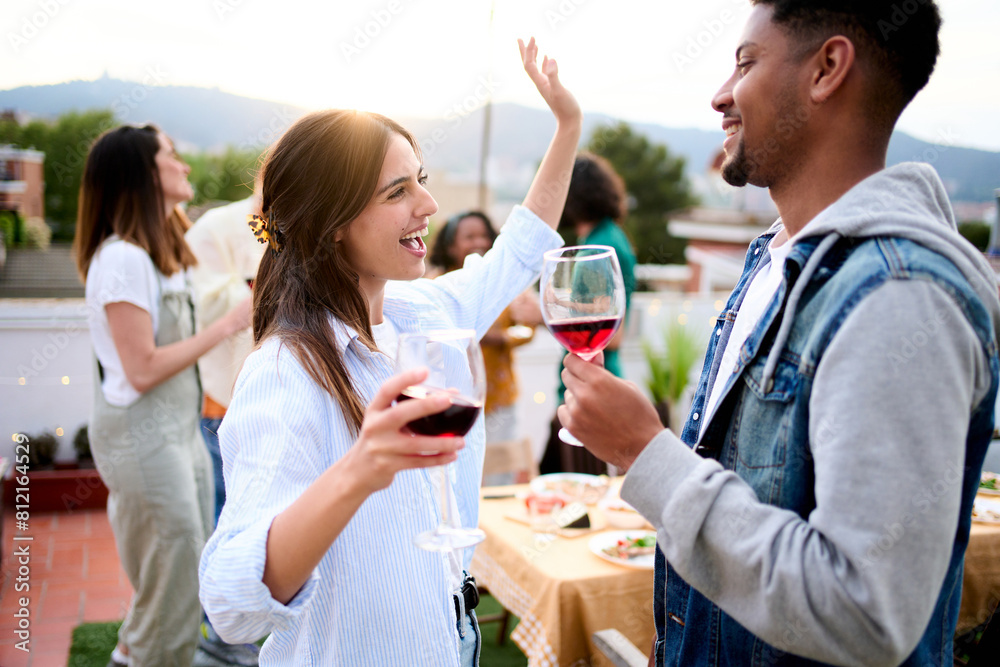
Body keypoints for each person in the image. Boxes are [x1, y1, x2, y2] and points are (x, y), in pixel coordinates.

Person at [559, 2, 1000, 665]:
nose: (720, 96)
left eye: (745, 62)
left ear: (827, 69)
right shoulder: (775, 261)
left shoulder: (898, 296)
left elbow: (864, 611)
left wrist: (647, 451)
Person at [198, 37, 580, 665]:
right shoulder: (285, 371)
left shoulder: (426, 312)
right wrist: (362, 467)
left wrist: (567, 125)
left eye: (421, 182)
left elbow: (521, 247)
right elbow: (231, 605)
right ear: (332, 222)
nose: (429, 206)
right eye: (398, 191)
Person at [73, 124, 251, 667]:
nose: (185, 166)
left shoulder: (158, 252)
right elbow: (143, 368)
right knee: (172, 579)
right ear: (143, 174)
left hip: (177, 431)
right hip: (141, 437)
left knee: (183, 573)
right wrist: (227, 326)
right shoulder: (121, 258)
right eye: (172, 156)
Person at [185, 194, 266, 665]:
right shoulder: (217, 227)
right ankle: (223, 634)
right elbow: (203, 300)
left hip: (283, 387)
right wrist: (260, 287)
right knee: (230, 515)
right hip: (226, 399)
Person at [539, 152, 637, 476]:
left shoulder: (602, 246)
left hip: (596, 388)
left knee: (579, 489)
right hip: (582, 386)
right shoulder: (599, 238)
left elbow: (613, 331)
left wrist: (544, 311)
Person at [428, 211, 543, 485]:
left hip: (499, 400)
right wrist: (490, 334)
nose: (478, 241)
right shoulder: (435, 287)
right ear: (450, 245)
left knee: (497, 477)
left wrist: (502, 336)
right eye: (469, 237)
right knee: (456, 478)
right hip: (452, 402)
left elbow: (527, 330)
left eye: (483, 235)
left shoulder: (501, 285)